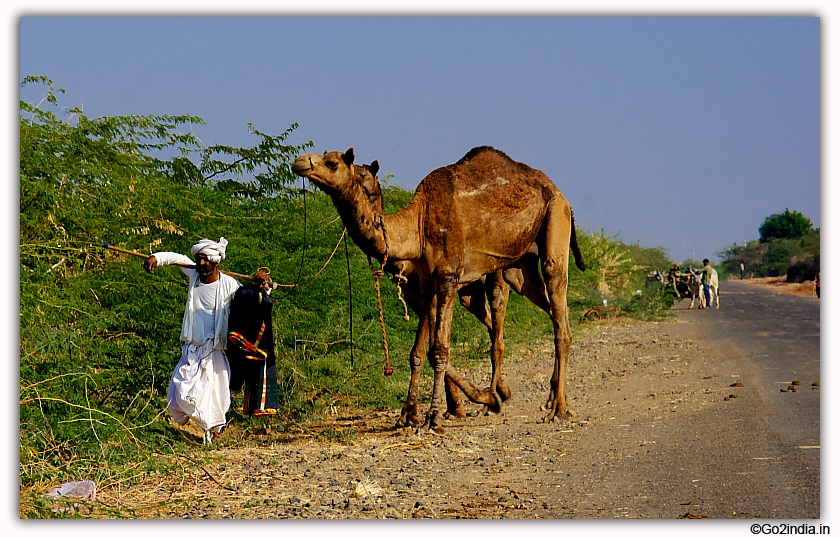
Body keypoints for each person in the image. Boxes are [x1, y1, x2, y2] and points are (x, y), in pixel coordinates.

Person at [144, 237, 268, 444]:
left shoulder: (230, 285)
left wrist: (264, 286)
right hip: (192, 347)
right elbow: (178, 259)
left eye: (206, 260)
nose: (201, 264)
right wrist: (156, 257)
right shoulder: (194, 277)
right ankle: (203, 428)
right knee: (180, 390)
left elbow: (250, 298)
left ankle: (210, 434)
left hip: (215, 350)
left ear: (216, 262)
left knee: (213, 394)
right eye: (199, 259)